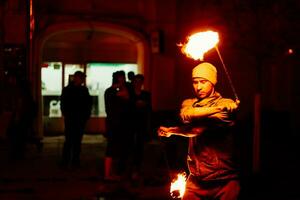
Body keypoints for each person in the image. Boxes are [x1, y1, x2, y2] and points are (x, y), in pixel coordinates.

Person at [158, 62, 240, 200]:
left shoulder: (224, 102)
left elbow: (197, 129)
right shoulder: (191, 103)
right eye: (195, 82)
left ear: (213, 82)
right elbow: (187, 114)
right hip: (196, 181)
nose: (198, 86)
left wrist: (173, 130)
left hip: (224, 182)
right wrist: (218, 109)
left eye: (203, 81)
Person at [104, 70, 133, 180]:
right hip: (114, 124)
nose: (123, 80)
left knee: (117, 148)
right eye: (121, 78)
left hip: (119, 124)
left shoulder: (110, 91)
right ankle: (108, 174)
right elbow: (125, 96)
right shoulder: (112, 91)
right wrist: (122, 87)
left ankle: (111, 172)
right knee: (111, 148)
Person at [60, 71, 92, 168]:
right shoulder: (82, 90)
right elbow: (88, 103)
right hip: (74, 119)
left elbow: (63, 103)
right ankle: (72, 161)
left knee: (73, 141)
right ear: (77, 78)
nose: (82, 80)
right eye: (81, 78)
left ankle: (70, 161)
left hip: (75, 118)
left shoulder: (69, 89)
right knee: (73, 141)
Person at [131, 74, 152, 179]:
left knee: (140, 146)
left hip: (141, 124)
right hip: (131, 123)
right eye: (136, 81)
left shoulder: (146, 94)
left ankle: (137, 169)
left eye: (140, 81)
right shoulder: (130, 94)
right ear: (133, 82)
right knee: (130, 146)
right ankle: (130, 169)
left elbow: (149, 109)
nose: (138, 83)